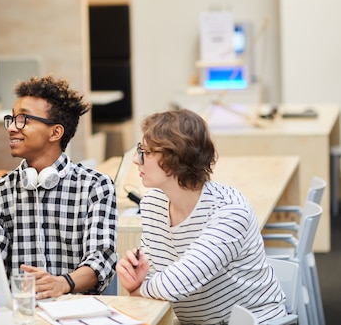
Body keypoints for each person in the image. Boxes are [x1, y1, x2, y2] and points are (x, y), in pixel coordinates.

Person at [116, 109, 287, 325]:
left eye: (146, 152)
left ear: (174, 158)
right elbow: (157, 279)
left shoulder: (230, 211)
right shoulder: (153, 204)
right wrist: (135, 281)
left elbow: (179, 283)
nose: (135, 160)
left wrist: (138, 288)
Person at [0, 75, 118, 298]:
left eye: (24, 120)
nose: (11, 128)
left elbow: (102, 258)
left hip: (75, 313)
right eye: (12, 119)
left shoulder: (95, 187)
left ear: (55, 132)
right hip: (19, 314)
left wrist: (63, 283)